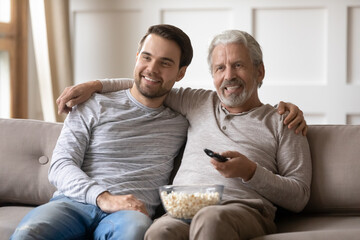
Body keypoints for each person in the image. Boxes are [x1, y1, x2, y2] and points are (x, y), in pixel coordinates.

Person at [56, 29, 311, 239]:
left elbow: (299, 195)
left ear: (260, 71)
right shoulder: (198, 102)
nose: (229, 76)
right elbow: (150, 83)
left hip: (241, 211)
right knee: (159, 232)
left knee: (210, 219)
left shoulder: (283, 121)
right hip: (181, 209)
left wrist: (251, 172)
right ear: (212, 75)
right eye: (220, 68)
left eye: (238, 66)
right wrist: (95, 85)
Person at [10, 24, 193, 240]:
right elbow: (60, 165)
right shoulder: (92, 104)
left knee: (134, 233)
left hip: (130, 214)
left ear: (181, 73)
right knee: (28, 234)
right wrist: (103, 197)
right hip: (72, 203)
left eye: (165, 63)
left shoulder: (182, 121)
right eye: (146, 57)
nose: (152, 68)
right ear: (136, 57)